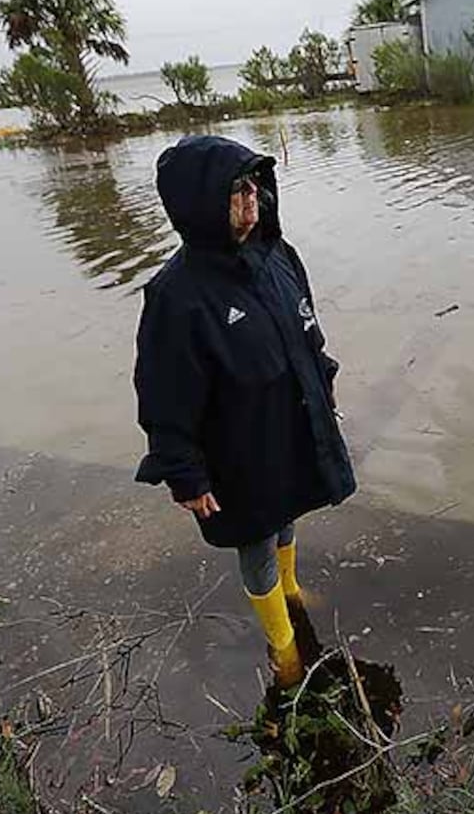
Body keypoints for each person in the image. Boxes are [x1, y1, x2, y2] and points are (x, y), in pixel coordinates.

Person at [133, 135, 354, 685]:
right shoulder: (176, 296)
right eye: (234, 190)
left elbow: (308, 334)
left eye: (253, 185)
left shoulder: (280, 256)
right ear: (196, 204)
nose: (249, 198)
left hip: (288, 424)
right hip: (236, 450)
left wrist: (322, 389)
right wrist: (183, 471)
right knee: (255, 536)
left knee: (287, 514)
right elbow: (162, 393)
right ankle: (283, 647)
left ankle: (293, 589)